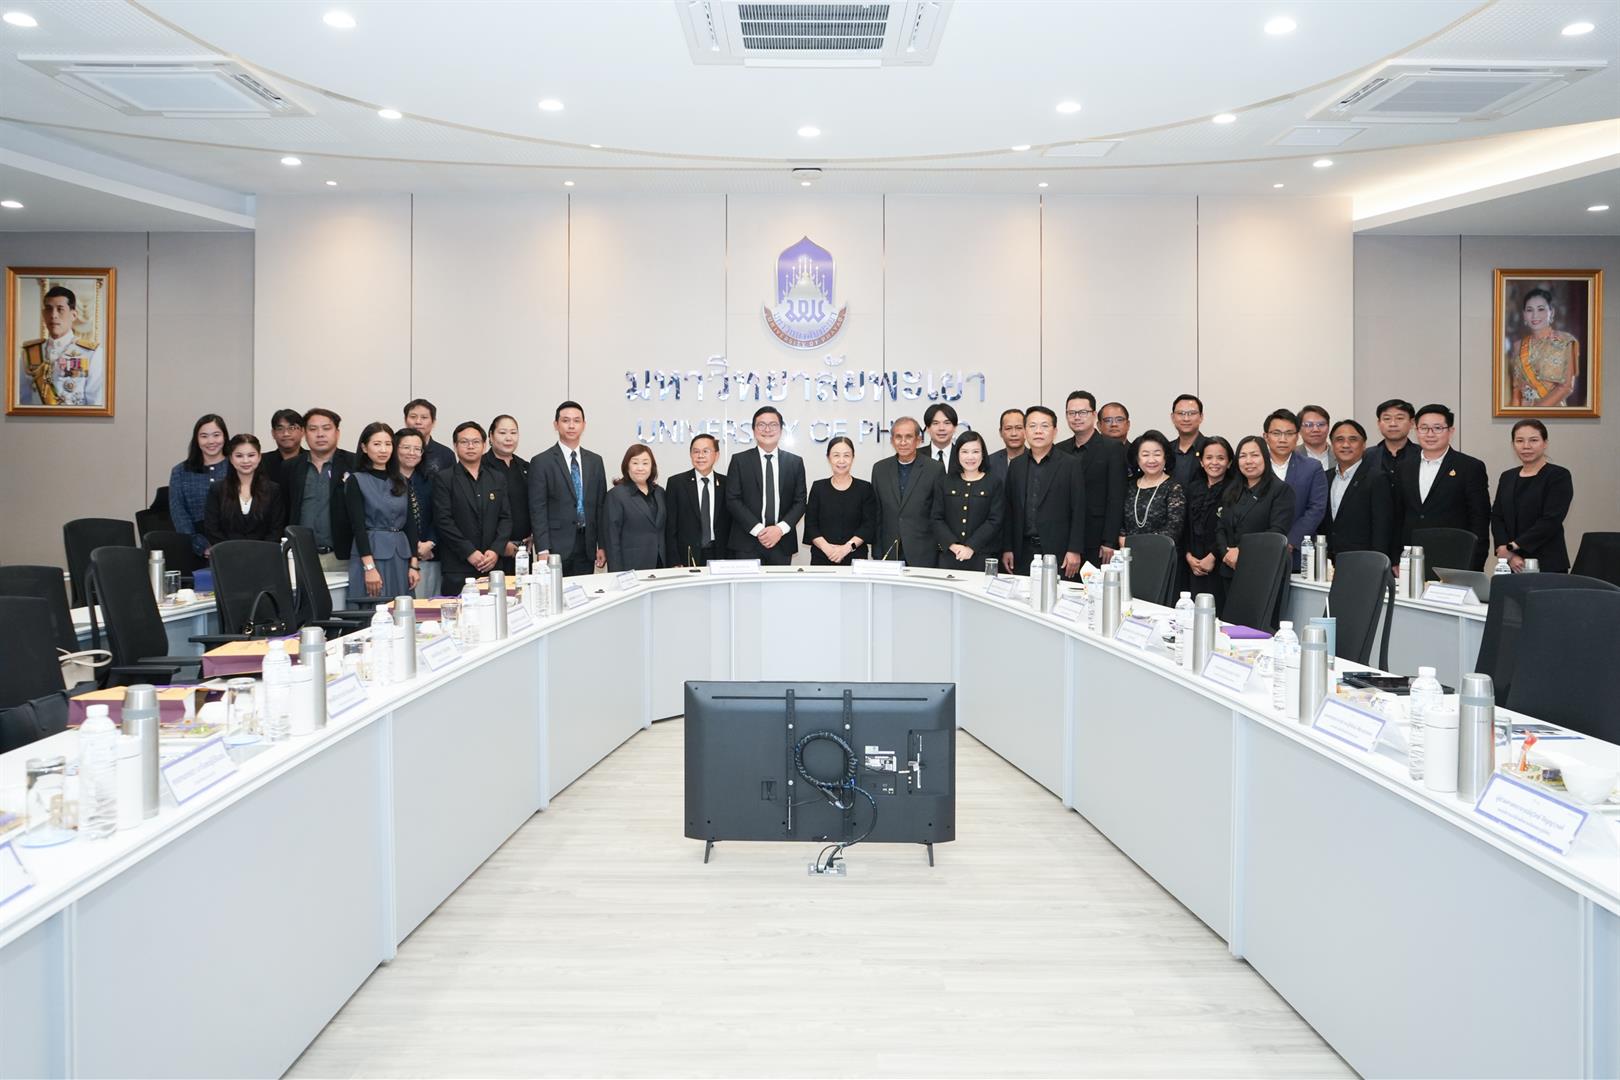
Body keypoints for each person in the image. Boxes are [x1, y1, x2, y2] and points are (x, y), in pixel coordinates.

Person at [1397, 404, 1491, 568]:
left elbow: (1479, 519)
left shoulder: (1469, 467)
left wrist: (1475, 562)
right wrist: (1395, 558)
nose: (1430, 434)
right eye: (1424, 428)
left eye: (1438, 428)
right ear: (1416, 431)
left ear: (1451, 431)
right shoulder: (1403, 466)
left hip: (1455, 555)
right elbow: (1397, 515)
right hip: (1411, 556)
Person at [1001, 405, 1087, 577]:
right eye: (1032, 426)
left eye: (1045, 426)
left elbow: (1079, 509)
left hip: (1058, 551)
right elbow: (1009, 510)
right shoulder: (1016, 465)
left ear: (1055, 431)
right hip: (1022, 550)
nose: (1038, 431)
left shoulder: (1070, 464)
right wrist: (1007, 548)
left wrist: (1074, 549)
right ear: (1025, 431)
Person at [529, 401, 607, 576]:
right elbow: (537, 509)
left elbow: (600, 506)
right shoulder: (541, 462)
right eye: (565, 420)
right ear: (556, 424)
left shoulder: (595, 461)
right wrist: (542, 549)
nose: (571, 425)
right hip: (554, 548)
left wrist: (602, 545)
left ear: (584, 425)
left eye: (576, 421)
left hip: (587, 545)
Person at [1215, 435, 1296, 604]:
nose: (1248, 461)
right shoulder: (1232, 490)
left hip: (1262, 572)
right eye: (1243, 456)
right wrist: (1226, 554)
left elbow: (1276, 532)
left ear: (1265, 457)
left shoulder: (1280, 490)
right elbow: (1220, 527)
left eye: (1254, 455)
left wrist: (1241, 551)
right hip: (1229, 571)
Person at [344, 423, 421, 600]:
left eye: (388, 444)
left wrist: (414, 564)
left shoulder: (401, 480)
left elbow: (410, 524)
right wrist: (369, 568)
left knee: (402, 607)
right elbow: (358, 527)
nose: (383, 450)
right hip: (372, 553)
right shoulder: (356, 480)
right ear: (364, 447)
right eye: (377, 444)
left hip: (401, 555)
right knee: (374, 606)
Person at [433, 421, 511, 595]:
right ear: (455, 446)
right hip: (458, 566)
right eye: (464, 442)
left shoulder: (497, 478)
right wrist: (469, 552)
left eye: (476, 442)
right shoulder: (444, 478)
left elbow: (505, 518)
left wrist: (495, 550)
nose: (470, 446)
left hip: (493, 565)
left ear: (484, 445)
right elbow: (443, 521)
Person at [725, 406, 807, 566]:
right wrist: (759, 530)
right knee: (746, 584)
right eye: (761, 425)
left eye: (773, 425)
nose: (767, 430)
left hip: (781, 542)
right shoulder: (739, 461)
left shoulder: (795, 462)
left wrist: (779, 529)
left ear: (781, 429)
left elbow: (800, 502)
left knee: (779, 583)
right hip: (746, 542)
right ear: (753, 430)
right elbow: (732, 499)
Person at [1491, 419, 1573, 574]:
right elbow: (1497, 517)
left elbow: (1551, 520)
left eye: (1533, 440)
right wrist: (1509, 554)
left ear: (1545, 443)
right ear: (1513, 444)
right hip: (1510, 564)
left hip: (1547, 562)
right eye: (1519, 441)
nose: (1526, 446)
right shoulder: (1507, 476)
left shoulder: (1558, 476)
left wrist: (1512, 547)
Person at [1057, 390, 1125, 566]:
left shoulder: (1112, 449)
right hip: (1065, 537)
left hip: (1097, 538)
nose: (1076, 417)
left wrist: (1109, 540)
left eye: (1083, 412)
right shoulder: (1059, 450)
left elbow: (1116, 498)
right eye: (1071, 413)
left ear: (1094, 415)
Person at [283, 408, 356, 572]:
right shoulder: (291, 467)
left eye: (326, 428)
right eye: (313, 429)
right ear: (304, 433)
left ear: (337, 433)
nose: (320, 434)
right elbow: (285, 509)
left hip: (342, 557)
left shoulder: (354, 464)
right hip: (300, 556)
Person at [871, 417, 943, 564]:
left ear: (918, 440)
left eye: (908, 437)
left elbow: (938, 513)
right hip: (889, 551)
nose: (903, 442)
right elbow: (877, 514)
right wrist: (876, 551)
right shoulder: (880, 469)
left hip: (923, 552)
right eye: (898, 437)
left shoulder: (934, 469)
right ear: (892, 440)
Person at [18, 285, 105, 408]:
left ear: (73, 315)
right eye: (49, 309)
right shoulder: (29, 353)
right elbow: (22, 400)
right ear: (43, 314)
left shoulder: (91, 353)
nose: (53, 315)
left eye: (60, 309)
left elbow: (96, 402)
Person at [930, 431, 1004, 571]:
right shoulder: (945, 482)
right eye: (964, 452)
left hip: (982, 555)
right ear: (957, 454)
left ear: (983, 454)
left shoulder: (994, 482)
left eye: (975, 451)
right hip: (949, 555)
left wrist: (971, 547)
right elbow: (936, 518)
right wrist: (953, 545)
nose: (970, 457)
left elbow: (995, 520)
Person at [1320, 420, 1394, 560]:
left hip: (1362, 560)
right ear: (1332, 444)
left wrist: (1376, 560)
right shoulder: (1325, 477)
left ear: (1364, 444)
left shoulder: (1377, 478)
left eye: (1353, 439)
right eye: (1339, 440)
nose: (1346, 445)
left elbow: (1382, 526)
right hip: (1328, 559)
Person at [1263, 408, 1326, 569]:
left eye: (1289, 433)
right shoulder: (1255, 466)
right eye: (1276, 433)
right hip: (1260, 548)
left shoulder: (1312, 467)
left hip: (1298, 551)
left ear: (1297, 437)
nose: (1283, 439)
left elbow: (1316, 509)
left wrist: (1290, 541)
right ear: (1266, 436)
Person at [203, 434, 287, 545]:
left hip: (264, 553)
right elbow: (212, 529)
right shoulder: (217, 489)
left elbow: (276, 530)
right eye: (239, 456)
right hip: (226, 552)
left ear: (259, 457)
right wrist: (233, 551)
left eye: (251, 455)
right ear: (231, 458)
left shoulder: (273, 490)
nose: (245, 460)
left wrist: (258, 551)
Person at [806, 436, 878, 565]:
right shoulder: (818, 487)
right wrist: (828, 549)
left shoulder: (865, 488)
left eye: (846, 455)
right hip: (822, 556)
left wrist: (846, 549)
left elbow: (868, 525)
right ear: (828, 458)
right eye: (836, 455)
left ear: (853, 458)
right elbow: (811, 525)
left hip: (855, 557)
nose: (841, 460)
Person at [168, 414, 230, 559]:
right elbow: (179, 513)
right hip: (194, 548)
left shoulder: (237, 467)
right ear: (197, 439)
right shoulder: (180, 471)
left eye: (216, 435)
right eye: (204, 436)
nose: (211, 441)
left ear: (225, 437)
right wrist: (201, 546)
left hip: (234, 544)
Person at [665, 434, 732, 567]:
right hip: (687, 555)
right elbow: (670, 527)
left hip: (720, 553)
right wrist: (674, 560)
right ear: (691, 455)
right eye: (696, 451)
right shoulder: (676, 483)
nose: (700, 456)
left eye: (706, 451)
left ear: (716, 455)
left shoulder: (727, 483)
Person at [1184, 437, 1235, 608]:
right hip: (1192, 564)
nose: (1214, 463)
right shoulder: (1192, 488)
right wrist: (1188, 556)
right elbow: (1185, 526)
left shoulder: (1235, 491)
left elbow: (1231, 530)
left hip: (1220, 563)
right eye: (1209, 457)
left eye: (1220, 458)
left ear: (1229, 463)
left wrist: (1212, 557)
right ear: (1201, 461)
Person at [1362, 397, 1415, 559]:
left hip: (1410, 535)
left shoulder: (1421, 456)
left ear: (1412, 423)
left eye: (1399, 418)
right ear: (1379, 423)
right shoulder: (1366, 457)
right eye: (1386, 419)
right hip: (1373, 536)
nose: (1393, 423)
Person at [1509, 289, 1581, 408]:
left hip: (1553, 412)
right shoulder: (1518, 346)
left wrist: (1536, 411)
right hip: (1524, 412)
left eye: (1541, 309)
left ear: (1551, 312)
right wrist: (1514, 415)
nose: (1535, 315)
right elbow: (1517, 390)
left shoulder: (1565, 341)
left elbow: (1566, 387)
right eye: (1529, 310)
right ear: (1524, 315)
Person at [1119, 430, 1186, 551]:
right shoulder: (1129, 486)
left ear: (1165, 457)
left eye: (1157, 454)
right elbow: (1120, 520)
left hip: (1161, 554)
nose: (1151, 460)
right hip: (1128, 553)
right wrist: (1123, 539)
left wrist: (1141, 545)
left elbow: (1174, 528)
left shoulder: (1173, 488)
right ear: (1137, 459)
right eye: (1145, 455)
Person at [604, 445, 668, 572]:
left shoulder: (660, 492)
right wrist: (617, 573)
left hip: (661, 564)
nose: (640, 468)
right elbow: (612, 539)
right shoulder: (616, 495)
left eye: (645, 463)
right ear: (627, 466)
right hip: (631, 567)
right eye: (635, 463)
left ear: (652, 467)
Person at [394, 428, 441, 598]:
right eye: (406, 447)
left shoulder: (431, 480)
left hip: (429, 554)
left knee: (429, 606)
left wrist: (430, 543)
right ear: (395, 449)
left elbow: (440, 515)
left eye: (417, 449)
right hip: (398, 555)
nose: (412, 453)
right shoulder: (386, 481)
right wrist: (413, 548)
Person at [484, 414, 532, 573]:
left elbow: (534, 504)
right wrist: (500, 545)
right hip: (490, 552)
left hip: (523, 551)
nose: (509, 438)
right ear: (491, 436)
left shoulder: (525, 467)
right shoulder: (481, 466)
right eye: (502, 433)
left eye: (513, 432)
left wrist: (533, 534)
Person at [404, 398, 456, 478]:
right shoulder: (393, 450)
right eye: (413, 417)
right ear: (405, 420)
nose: (418, 422)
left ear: (433, 422)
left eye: (424, 417)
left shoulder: (446, 454)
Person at [1168, 394, 1210, 488]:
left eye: (1192, 413)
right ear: (1173, 417)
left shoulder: (1211, 448)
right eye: (1181, 413)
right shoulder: (1165, 450)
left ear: (1201, 417)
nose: (1186, 418)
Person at [261, 408, 307, 488]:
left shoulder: (312, 460)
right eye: (280, 429)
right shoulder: (261, 462)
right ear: (273, 433)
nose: (286, 434)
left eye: (292, 428)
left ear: (302, 431)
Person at [986, 408, 1025, 484]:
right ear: (1001, 432)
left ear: (1026, 430)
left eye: (1019, 428)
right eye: (1008, 428)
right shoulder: (989, 462)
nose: (1014, 434)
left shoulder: (1035, 460)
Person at [921, 403, 959, 469]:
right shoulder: (916, 456)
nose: (941, 428)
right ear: (927, 429)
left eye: (947, 423)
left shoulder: (962, 455)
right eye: (935, 423)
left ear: (955, 428)